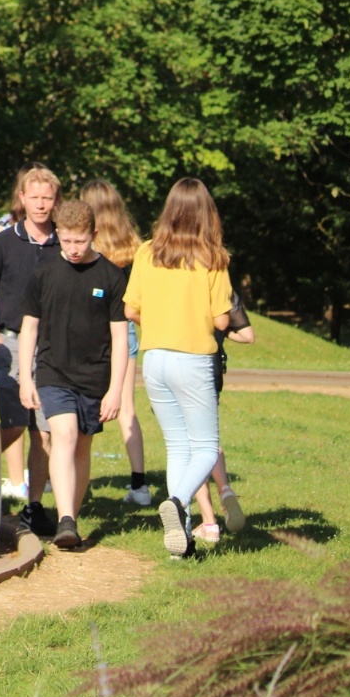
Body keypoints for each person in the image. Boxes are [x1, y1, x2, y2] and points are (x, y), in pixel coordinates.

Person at [122, 178, 234, 559]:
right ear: (207, 213)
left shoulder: (147, 251)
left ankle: (181, 541)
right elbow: (222, 320)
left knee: (178, 447)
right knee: (205, 447)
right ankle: (178, 501)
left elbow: (130, 309)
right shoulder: (212, 257)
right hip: (193, 358)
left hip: (155, 359)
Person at [16, 200, 129, 550]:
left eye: (80, 241)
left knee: (82, 445)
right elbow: (29, 329)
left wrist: (115, 391)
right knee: (63, 434)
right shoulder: (44, 272)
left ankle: (71, 520)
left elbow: (120, 338)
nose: (74, 248)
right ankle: (65, 520)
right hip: (53, 372)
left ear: (94, 234)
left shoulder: (111, 277)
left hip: (94, 376)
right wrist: (26, 377)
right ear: (58, 235)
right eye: (66, 241)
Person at [0, 164, 61, 531]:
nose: (41, 205)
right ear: (22, 198)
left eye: (47, 198)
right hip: (9, 340)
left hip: (51, 345)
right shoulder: (2, 242)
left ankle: (35, 504)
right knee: (14, 423)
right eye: (35, 197)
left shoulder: (64, 243)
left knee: (44, 430)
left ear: (56, 201)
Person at [78, 179, 148, 506]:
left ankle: (62, 476)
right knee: (126, 408)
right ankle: (140, 484)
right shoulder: (133, 245)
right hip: (126, 329)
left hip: (91, 332)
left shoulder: (86, 248)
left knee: (76, 400)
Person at [189, 292, 254, 543]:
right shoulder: (222, 289)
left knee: (192, 449)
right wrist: (221, 332)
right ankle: (225, 488)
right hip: (213, 370)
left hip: (186, 367)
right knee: (209, 439)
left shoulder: (181, 280)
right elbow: (247, 336)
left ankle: (209, 523)